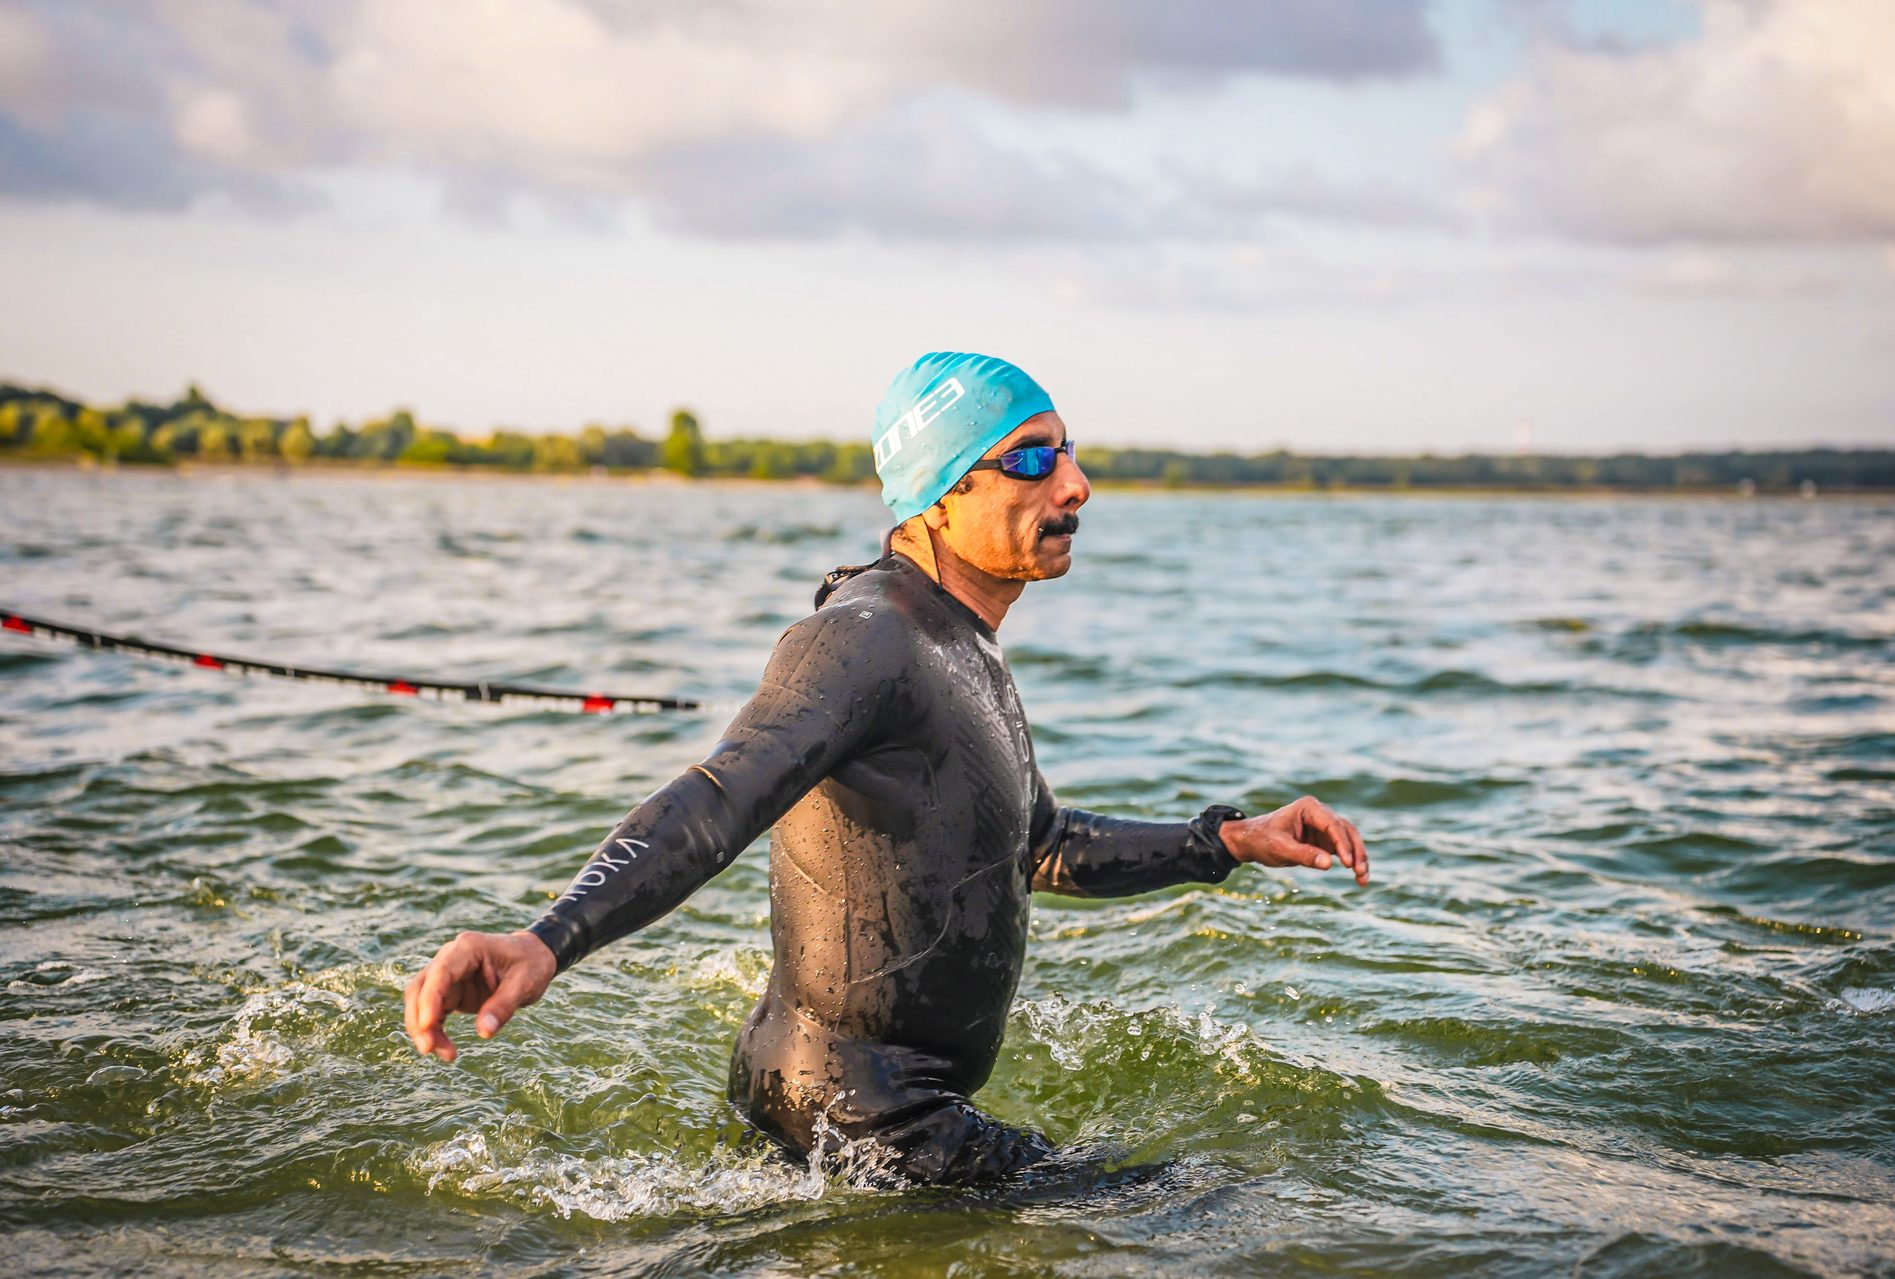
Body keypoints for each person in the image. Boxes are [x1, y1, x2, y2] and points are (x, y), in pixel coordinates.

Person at [402, 352, 1370, 1185]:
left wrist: (1228, 840)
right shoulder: (866, 639)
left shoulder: (950, 640)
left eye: (1070, 453)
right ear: (938, 495)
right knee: (1223, 1212)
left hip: (865, 1109)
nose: (1074, 486)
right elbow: (721, 794)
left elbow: (1039, 844)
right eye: (1030, 459)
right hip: (871, 1119)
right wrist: (548, 939)